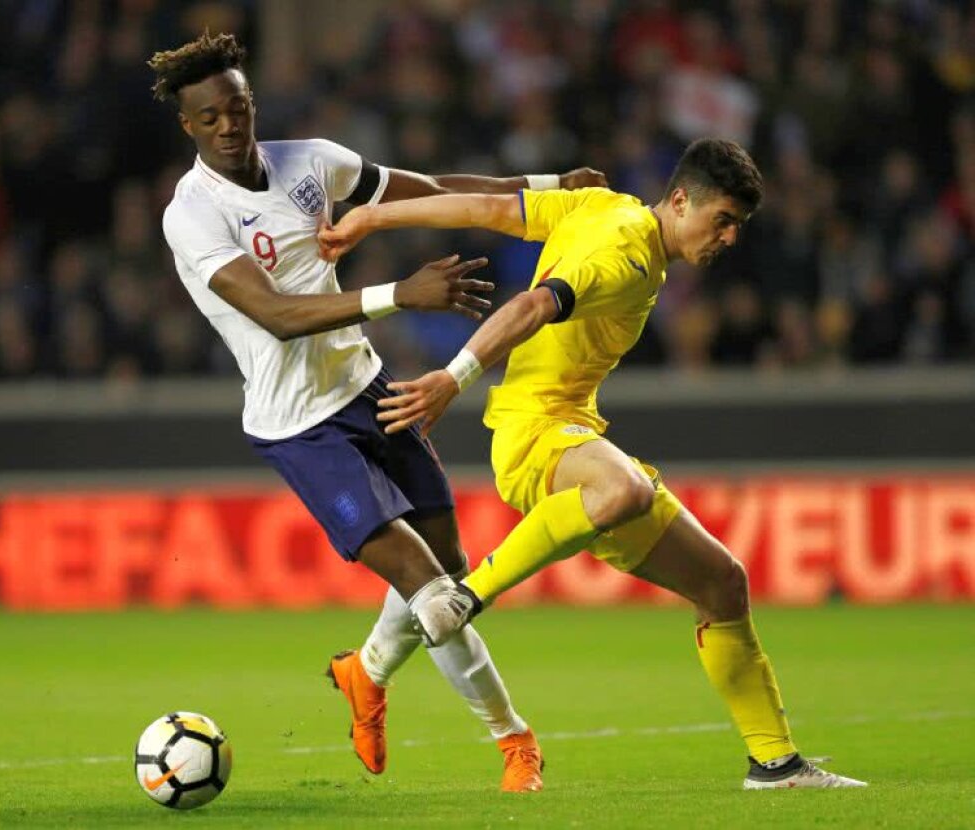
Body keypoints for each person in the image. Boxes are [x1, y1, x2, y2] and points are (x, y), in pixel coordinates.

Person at [319, 138, 867, 790]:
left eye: (737, 227)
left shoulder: (598, 205)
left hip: (568, 430)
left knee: (723, 583)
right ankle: (464, 600)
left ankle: (774, 764)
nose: (728, 237)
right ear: (681, 199)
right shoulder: (626, 253)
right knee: (623, 489)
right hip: (538, 434)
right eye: (721, 219)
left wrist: (371, 217)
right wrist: (452, 378)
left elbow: (484, 207)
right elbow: (530, 306)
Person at [151, 31, 606, 791]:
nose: (229, 125)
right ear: (189, 127)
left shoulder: (311, 161)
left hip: (365, 389)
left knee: (452, 573)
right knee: (436, 598)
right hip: (298, 424)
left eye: (237, 108)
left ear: (250, 104)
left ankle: (364, 673)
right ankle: (515, 741)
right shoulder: (191, 215)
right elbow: (276, 314)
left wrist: (549, 185)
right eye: (210, 118)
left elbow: (428, 189)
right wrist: (402, 292)